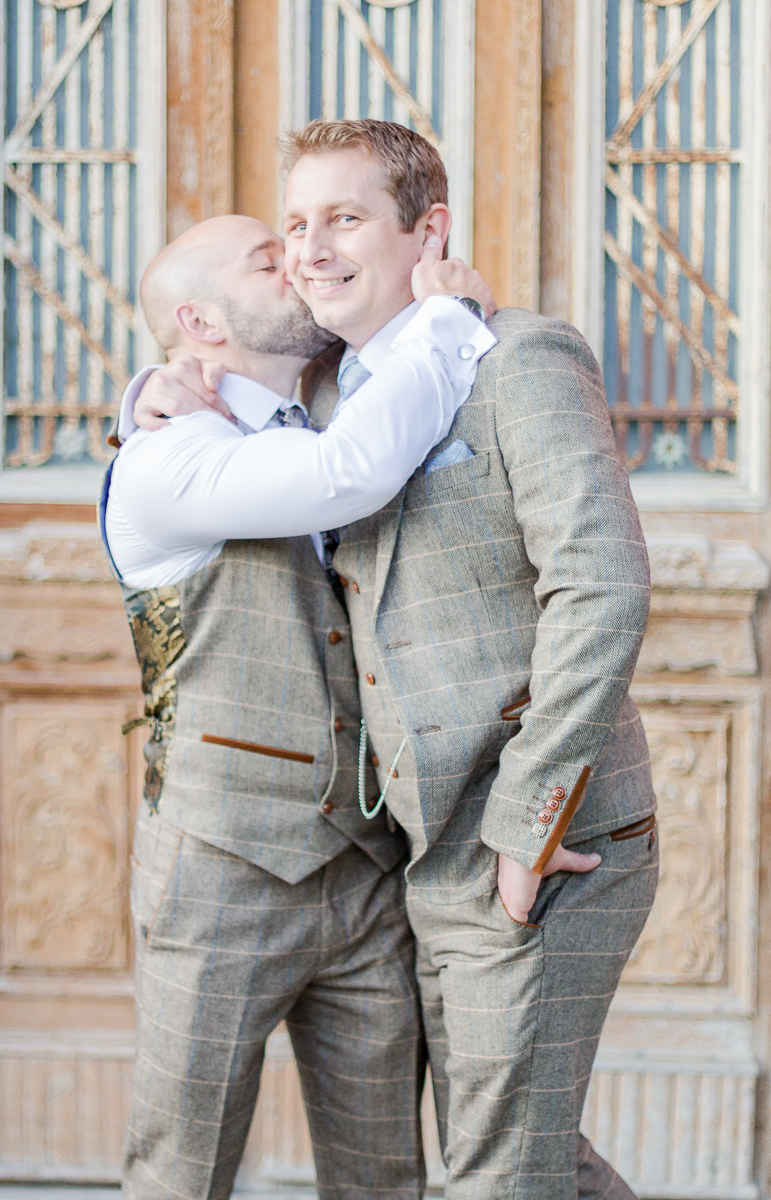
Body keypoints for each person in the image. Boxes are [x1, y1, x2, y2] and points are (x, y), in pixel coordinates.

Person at [128, 120, 659, 1200]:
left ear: (428, 230)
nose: (308, 253)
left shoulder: (516, 356)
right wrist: (145, 390)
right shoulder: (293, 404)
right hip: (370, 854)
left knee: (491, 1165)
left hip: (519, 839)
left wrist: (528, 822)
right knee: (516, 1152)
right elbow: (310, 447)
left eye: (342, 219)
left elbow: (599, 587)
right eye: (289, 231)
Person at [101, 212, 496, 1200]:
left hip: (368, 874)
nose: (303, 263)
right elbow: (338, 479)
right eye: (267, 258)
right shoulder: (162, 461)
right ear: (199, 319)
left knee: (382, 1180)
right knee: (180, 1175)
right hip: (219, 868)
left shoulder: (340, 403)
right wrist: (447, 319)